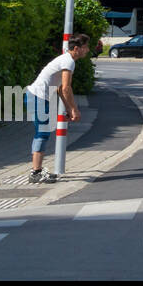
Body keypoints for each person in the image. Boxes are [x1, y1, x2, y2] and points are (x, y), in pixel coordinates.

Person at [25, 34, 92, 184]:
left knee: (43, 132)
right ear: (76, 48)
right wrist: (75, 110)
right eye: (85, 47)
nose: (87, 50)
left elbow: (61, 89)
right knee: (42, 133)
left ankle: (37, 170)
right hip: (38, 97)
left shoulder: (65, 59)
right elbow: (66, 88)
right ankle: (35, 173)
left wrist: (69, 108)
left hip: (36, 96)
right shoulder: (68, 62)